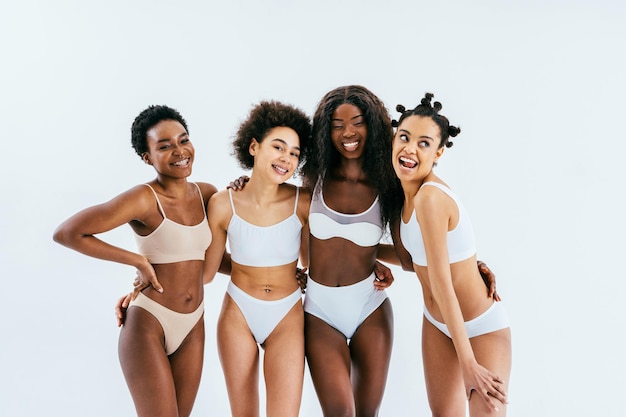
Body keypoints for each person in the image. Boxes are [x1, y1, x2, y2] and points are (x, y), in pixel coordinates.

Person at [53, 105, 224, 416]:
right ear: (147, 157)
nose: (179, 151)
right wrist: (138, 261)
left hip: (193, 323)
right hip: (149, 323)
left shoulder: (208, 194)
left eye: (183, 140)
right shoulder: (144, 198)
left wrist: (280, 275)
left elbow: (213, 260)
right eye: (164, 146)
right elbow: (68, 233)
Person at [390, 93, 512, 416]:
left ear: (439, 152)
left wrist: (468, 362)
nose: (410, 148)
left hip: (479, 326)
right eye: (404, 137)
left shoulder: (430, 197)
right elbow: (413, 260)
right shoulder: (404, 198)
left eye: (424, 143)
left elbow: (442, 283)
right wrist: (366, 257)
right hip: (437, 325)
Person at [201, 100, 312, 417]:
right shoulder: (223, 204)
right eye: (278, 147)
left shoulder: (302, 202)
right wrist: (147, 279)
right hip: (238, 313)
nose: (286, 158)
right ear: (253, 146)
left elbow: (312, 263)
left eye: (294, 153)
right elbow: (207, 272)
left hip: (287, 315)